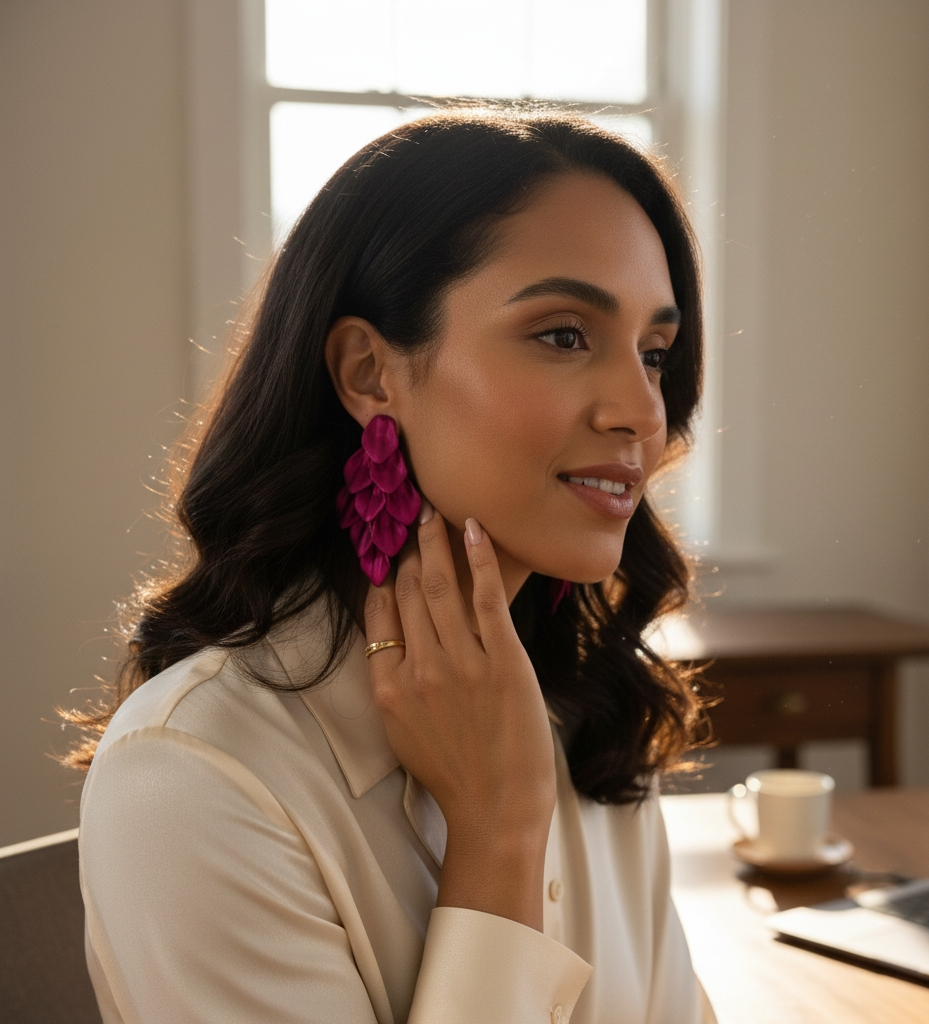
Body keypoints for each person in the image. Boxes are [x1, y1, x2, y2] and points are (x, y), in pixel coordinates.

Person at [65, 110, 716, 1023]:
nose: (642, 412)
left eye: (654, 353)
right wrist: (498, 837)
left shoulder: (591, 712)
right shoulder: (191, 776)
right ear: (370, 371)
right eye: (564, 335)